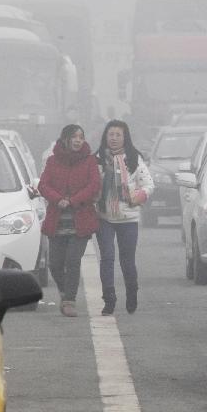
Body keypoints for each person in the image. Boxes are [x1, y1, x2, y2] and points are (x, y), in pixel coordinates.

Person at [38, 124, 101, 317]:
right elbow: (43, 185)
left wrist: (73, 200)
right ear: (65, 139)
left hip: (80, 219)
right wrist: (58, 199)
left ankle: (69, 301)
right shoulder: (52, 161)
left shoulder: (90, 161)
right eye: (74, 137)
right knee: (55, 264)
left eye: (81, 137)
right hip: (57, 220)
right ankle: (65, 292)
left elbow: (94, 185)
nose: (78, 140)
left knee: (73, 261)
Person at [95, 119, 154, 315]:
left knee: (127, 260)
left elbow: (148, 185)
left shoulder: (134, 160)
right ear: (106, 136)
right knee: (107, 258)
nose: (113, 138)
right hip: (104, 217)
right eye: (110, 134)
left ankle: (132, 293)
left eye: (118, 135)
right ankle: (109, 299)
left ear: (124, 137)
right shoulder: (97, 160)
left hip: (128, 218)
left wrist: (136, 197)